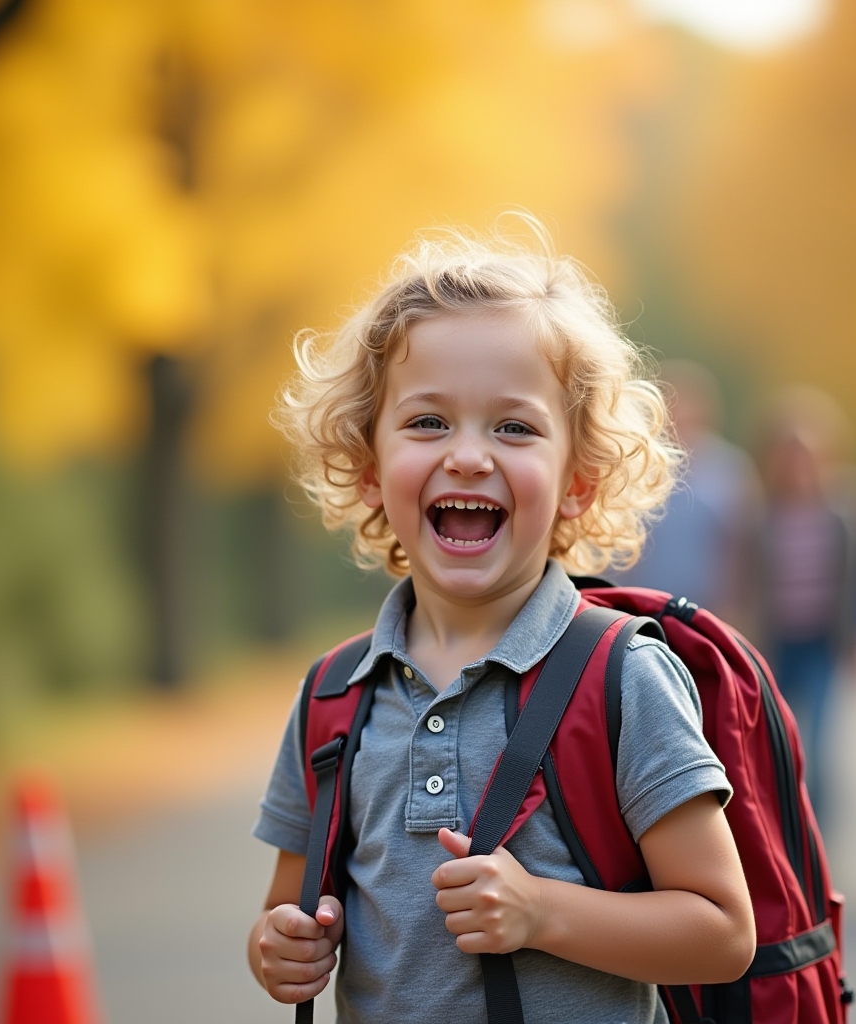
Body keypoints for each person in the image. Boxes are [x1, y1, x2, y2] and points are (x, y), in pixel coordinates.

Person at [250, 222, 755, 1022]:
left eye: (514, 427)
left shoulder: (622, 677)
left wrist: (542, 913)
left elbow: (722, 930)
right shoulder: (335, 693)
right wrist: (280, 947)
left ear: (578, 482)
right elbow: (288, 907)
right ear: (370, 467)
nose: (469, 456)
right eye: (427, 422)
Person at [748, 387, 856, 818]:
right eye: (788, 452)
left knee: (818, 744)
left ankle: (818, 838)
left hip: (823, 641)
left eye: (805, 452)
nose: (797, 463)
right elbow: (747, 579)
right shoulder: (761, 512)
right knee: (774, 742)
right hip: (775, 641)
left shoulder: (845, 510)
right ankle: (783, 831)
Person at [610, 360, 760, 627]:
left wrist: (735, 605)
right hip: (648, 606)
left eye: (688, 406)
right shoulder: (640, 466)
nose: (680, 416)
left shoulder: (730, 470)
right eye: (672, 406)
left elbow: (740, 547)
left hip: (709, 610)